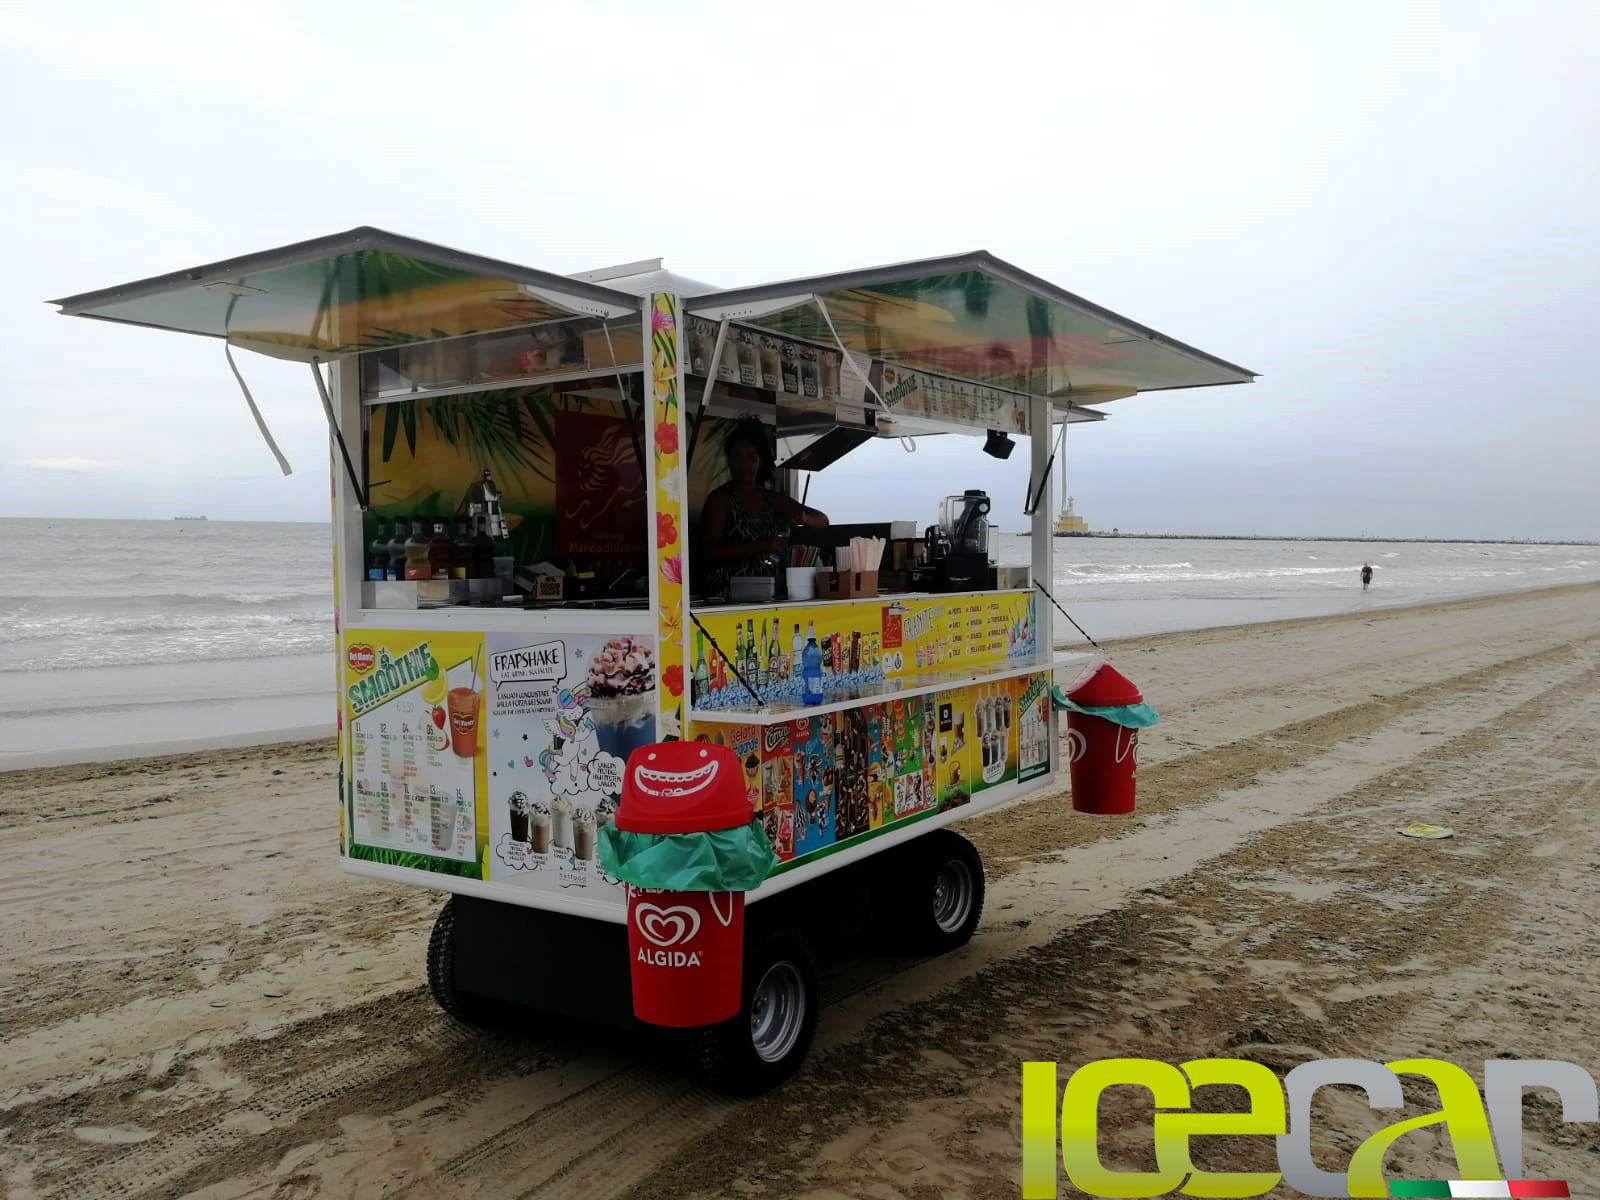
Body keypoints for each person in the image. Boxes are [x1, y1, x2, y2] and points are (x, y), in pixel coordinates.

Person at [700, 422, 828, 597]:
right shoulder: (720, 500)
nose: (743, 464)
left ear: (761, 461)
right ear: (729, 460)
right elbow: (709, 554)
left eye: (750, 457)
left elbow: (822, 520)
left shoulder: (773, 499)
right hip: (726, 596)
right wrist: (761, 546)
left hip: (769, 594)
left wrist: (804, 519)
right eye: (737, 457)